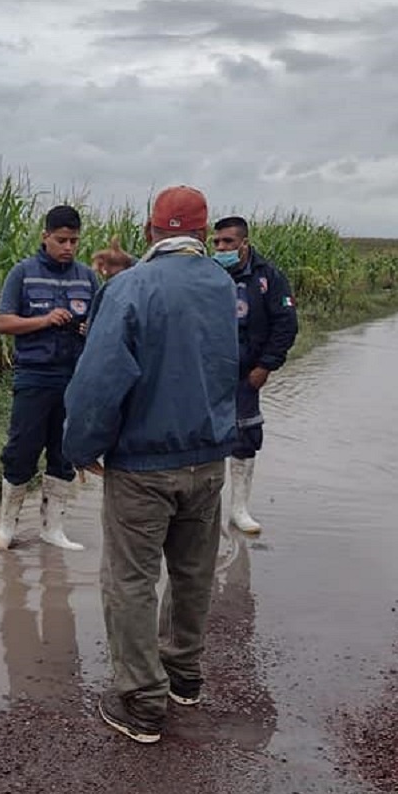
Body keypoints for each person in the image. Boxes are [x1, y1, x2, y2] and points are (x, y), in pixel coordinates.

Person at [62, 185, 241, 744]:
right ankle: (184, 674)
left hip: (144, 461)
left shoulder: (128, 287)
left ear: (149, 231)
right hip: (209, 457)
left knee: (131, 578)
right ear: (205, 234)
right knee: (193, 571)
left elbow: (100, 380)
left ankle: (142, 702)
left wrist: (79, 447)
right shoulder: (220, 282)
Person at [0, 204, 100, 552]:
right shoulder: (23, 273)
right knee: (21, 450)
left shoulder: (87, 277)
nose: (68, 247)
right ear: (45, 237)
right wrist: (45, 320)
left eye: (74, 241)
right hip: (34, 376)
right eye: (61, 240)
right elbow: (3, 323)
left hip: (73, 378)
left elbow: (101, 324)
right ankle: (6, 529)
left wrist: (87, 328)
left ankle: (53, 529)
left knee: (64, 451)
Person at [209, 216, 299, 534]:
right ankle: (206, 511)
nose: (221, 248)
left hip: (247, 373)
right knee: (205, 437)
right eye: (216, 242)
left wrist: (266, 366)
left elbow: (286, 324)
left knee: (245, 436)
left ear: (244, 244)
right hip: (207, 373)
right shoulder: (206, 273)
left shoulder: (268, 277)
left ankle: (239, 509)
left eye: (228, 242)